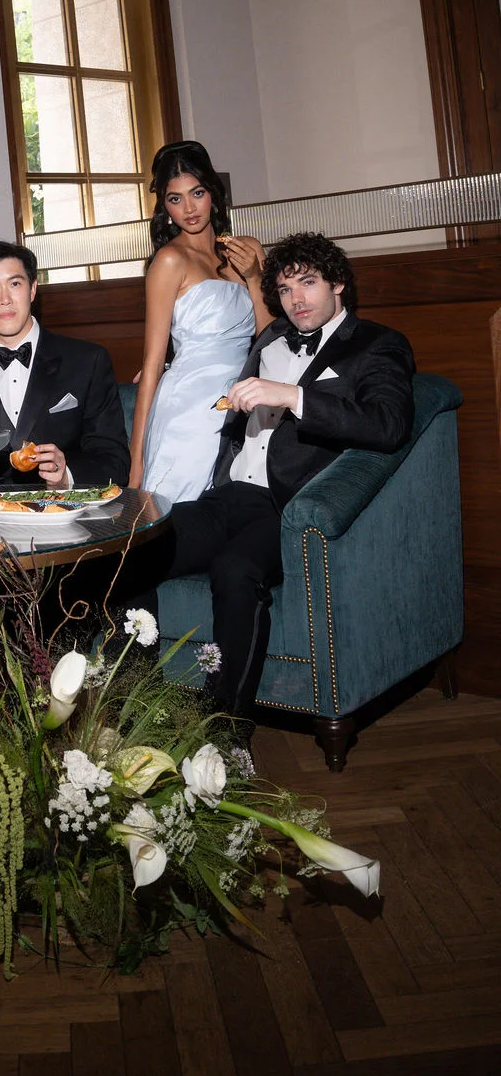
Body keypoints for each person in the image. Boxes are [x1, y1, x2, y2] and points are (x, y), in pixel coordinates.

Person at [163, 232, 415, 715]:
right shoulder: (272, 338)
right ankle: (123, 700)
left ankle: (224, 730)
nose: (296, 298)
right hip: (229, 495)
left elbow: (388, 424)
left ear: (337, 283)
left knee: (235, 570)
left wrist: (294, 396)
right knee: (138, 545)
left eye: (308, 282)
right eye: (284, 288)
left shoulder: (377, 344)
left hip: (288, 506)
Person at [129, 141, 271, 502]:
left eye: (197, 193)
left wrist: (254, 277)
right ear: (164, 206)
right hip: (188, 410)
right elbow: (152, 364)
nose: (189, 209)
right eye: (175, 199)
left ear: (213, 193)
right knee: (177, 512)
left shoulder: (247, 250)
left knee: (237, 511)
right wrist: (136, 463)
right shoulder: (169, 261)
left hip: (243, 401)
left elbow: (269, 339)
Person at [0, 239, 130, 490]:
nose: (5, 299)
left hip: (66, 510)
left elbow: (115, 461)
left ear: (33, 289)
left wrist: (66, 475)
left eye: (15, 284)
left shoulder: (87, 361)